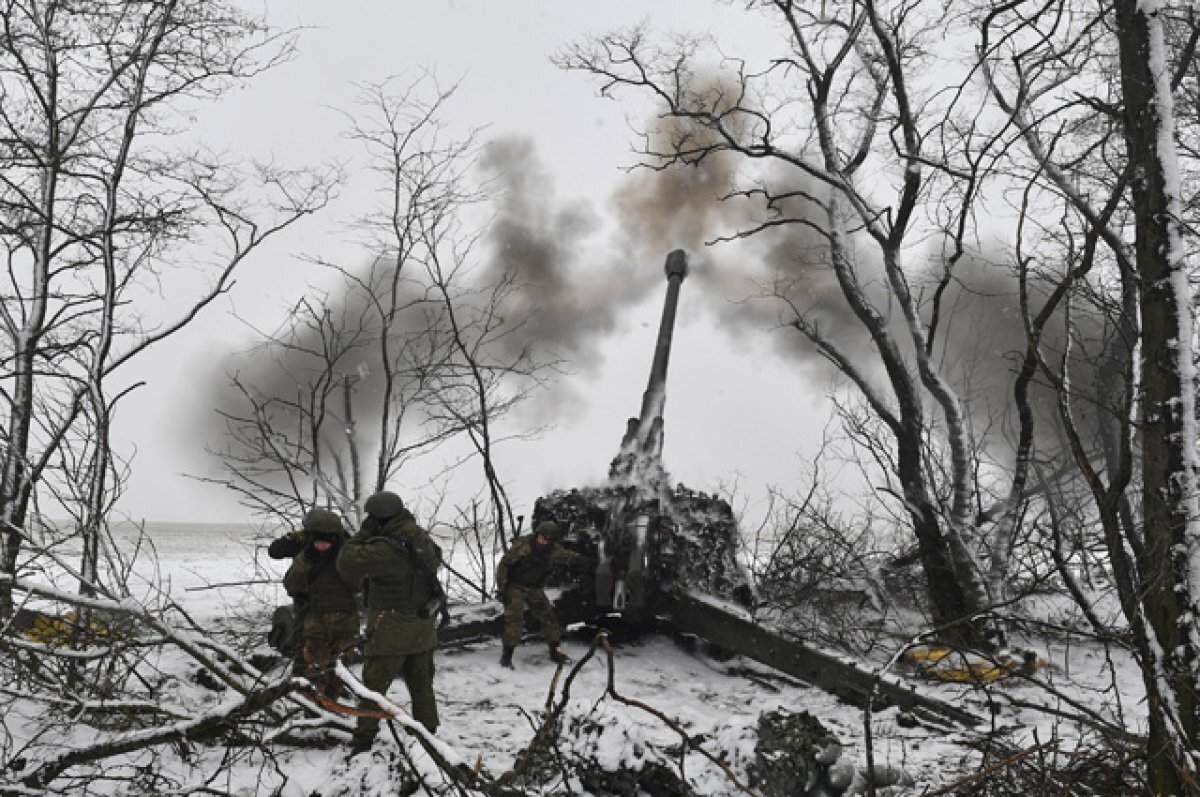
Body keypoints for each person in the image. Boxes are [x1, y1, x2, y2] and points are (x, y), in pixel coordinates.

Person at [337, 490, 442, 753]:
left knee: (373, 689)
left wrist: (363, 533)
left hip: (389, 631)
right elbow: (435, 559)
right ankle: (428, 737)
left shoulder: (385, 549)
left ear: (380, 518)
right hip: (422, 628)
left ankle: (363, 741)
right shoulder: (419, 538)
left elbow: (346, 562)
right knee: (422, 686)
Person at [278, 509, 359, 699]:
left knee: (337, 670)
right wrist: (306, 561)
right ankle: (313, 709)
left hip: (343, 622)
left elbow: (361, 585)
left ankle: (326, 706)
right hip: (313, 622)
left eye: (326, 542)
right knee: (310, 671)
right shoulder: (307, 556)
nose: (322, 546)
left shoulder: (348, 554)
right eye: (318, 542)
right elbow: (291, 585)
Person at [495, 519, 590, 668]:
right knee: (515, 622)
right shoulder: (523, 547)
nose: (541, 540)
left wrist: (586, 561)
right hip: (515, 587)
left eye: (545, 539)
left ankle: (555, 651)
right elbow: (504, 565)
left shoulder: (553, 550)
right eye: (540, 536)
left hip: (534, 588)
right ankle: (506, 658)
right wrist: (502, 589)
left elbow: (568, 556)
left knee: (549, 618)